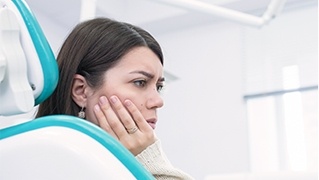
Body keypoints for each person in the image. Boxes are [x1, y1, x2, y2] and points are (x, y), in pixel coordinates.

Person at [36, 17, 193, 179]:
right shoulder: (36, 165)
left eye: (159, 87)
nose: (158, 101)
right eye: (140, 82)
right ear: (81, 91)